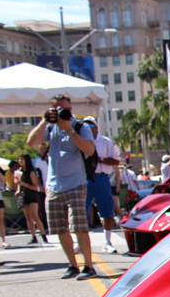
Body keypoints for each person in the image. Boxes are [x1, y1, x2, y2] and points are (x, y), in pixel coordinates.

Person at [25, 93, 98, 279]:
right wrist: (43, 121)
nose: (58, 112)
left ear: (70, 109)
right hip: (54, 186)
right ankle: (72, 265)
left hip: (75, 183)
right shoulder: (50, 127)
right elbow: (31, 142)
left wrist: (69, 130)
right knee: (60, 228)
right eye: (55, 109)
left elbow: (89, 150)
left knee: (79, 227)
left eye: (62, 108)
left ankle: (88, 266)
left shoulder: (80, 126)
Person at [83, 117, 120, 253]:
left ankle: (107, 241)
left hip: (101, 177)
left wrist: (100, 160)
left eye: (90, 126)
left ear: (96, 127)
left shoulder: (105, 142)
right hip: (84, 178)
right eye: (85, 126)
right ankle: (82, 242)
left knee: (106, 210)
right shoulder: (80, 141)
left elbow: (115, 160)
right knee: (81, 211)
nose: (87, 128)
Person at [15, 153, 48, 244]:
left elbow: (35, 187)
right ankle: (33, 236)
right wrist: (18, 190)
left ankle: (43, 235)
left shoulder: (31, 172)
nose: (20, 161)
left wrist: (23, 184)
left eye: (22, 159)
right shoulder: (19, 171)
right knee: (28, 217)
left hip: (32, 195)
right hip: (23, 195)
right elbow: (18, 184)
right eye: (19, 159)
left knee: (34, 215)